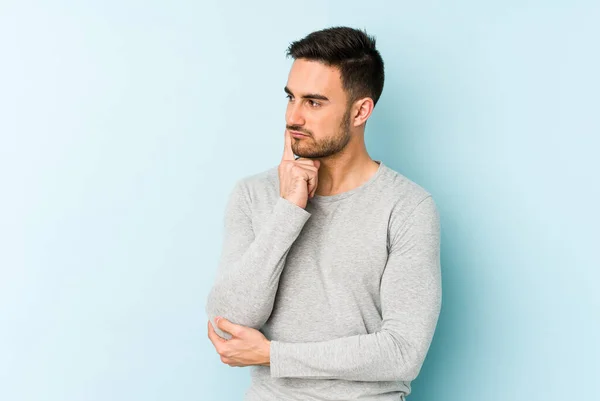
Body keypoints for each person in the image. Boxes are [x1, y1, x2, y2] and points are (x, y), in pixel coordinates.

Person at [205, 26, 442, 401]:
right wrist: (288, 210)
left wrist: (273, 355)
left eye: (314, 102)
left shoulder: (407, 207)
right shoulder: (253, 194)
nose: (294, 117)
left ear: (360, 110)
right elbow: (229, 322)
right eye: (291, 98)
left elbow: (403, 352)